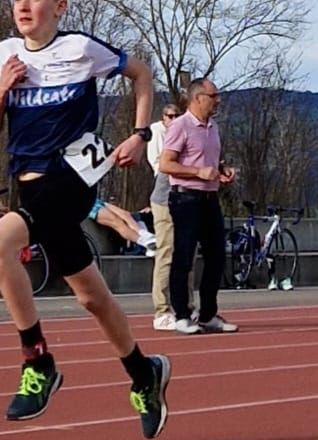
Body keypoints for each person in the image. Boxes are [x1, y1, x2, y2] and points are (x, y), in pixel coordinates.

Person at [0, 0, 171, 440]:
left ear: (59, 7)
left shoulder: (80, 48)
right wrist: (1, 89)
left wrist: (140, 134)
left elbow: (142, 73)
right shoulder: (4, 53)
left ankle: (38, 362)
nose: (24, 5)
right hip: (29, 183)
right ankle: (143, 372)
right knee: (92, 297)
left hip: (72, 177)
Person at [159, 78, 238, 335]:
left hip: (209, 198)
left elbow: (211, 158)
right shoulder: (180, 125)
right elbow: (166, 164)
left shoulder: (213, 127)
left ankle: (208, 314)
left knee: (216, 256)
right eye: (213, 96)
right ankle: (181, 314)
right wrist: (197, 172)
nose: (218, 101)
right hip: (185, 198)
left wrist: (222, 170)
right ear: (197, 98)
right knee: (184, 256)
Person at [147, 103, 196, 331]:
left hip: (186, 200)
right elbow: (161, 165)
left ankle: (186, 306)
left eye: (178, 115)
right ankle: (162, 310)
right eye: (170, 116)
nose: (174, 119)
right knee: (166, 251)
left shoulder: (190, 131)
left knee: (187, 254)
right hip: (165, 198)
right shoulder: (161, 134)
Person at [88, 198, 157, 256]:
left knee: (125, 214)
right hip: (83, 204)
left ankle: (145, 235)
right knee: (115, 220)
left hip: (92, 199)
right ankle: (146, 243)